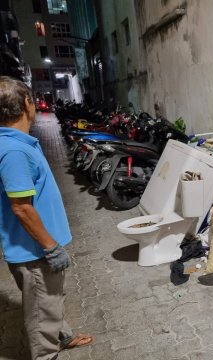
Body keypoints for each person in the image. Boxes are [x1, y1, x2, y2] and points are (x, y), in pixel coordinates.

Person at [0, 76, 94, 359]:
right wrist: (50, 247)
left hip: (37, 247)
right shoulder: (13, 150)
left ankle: (63, 335)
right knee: (43, 310)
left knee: (49, 300)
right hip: (35, 251)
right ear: (26, 104)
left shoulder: (17, 142)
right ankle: (47, 354)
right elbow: (21, 208)